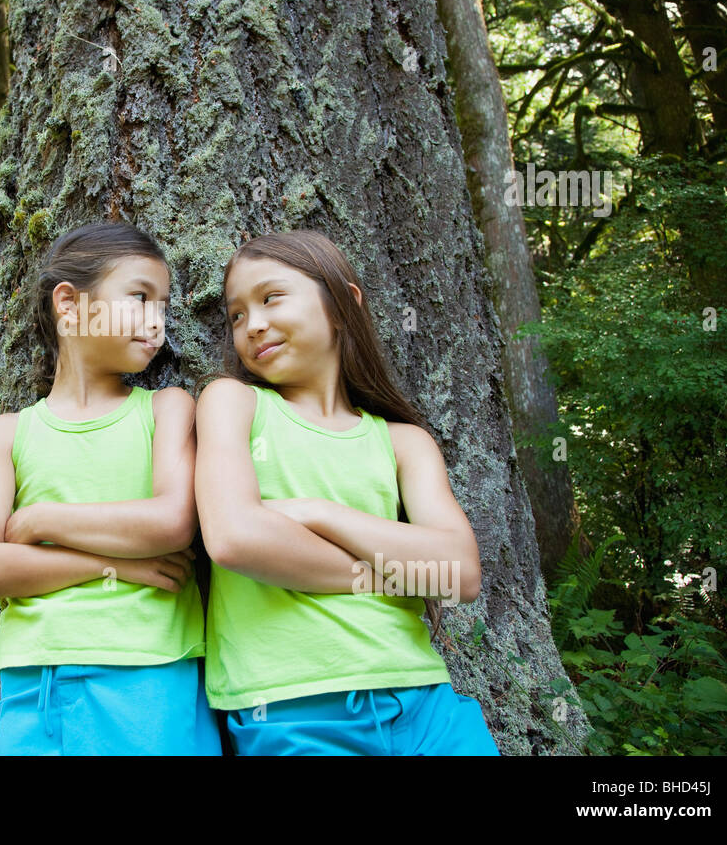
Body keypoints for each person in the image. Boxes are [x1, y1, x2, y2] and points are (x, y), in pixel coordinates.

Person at [194, 229, 500, 755]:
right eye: (237, 314)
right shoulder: (233, 403)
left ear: (341, 304)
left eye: (270, 298)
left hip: (424, 700)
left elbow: (459, 574)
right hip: (290, 703)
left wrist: (317, 512)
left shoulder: (404, 443)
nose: (253, 325)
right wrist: (395, 576)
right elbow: (235, 539)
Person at [0, 221, 220, 755]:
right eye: (140, 297)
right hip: (38, 683)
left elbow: (171, 523)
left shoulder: (168, 409)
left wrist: (42, 521)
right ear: (69, 305)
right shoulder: (6, 435)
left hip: (153, 675)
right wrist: (116, 566)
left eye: (163, 307)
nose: (158, 324)